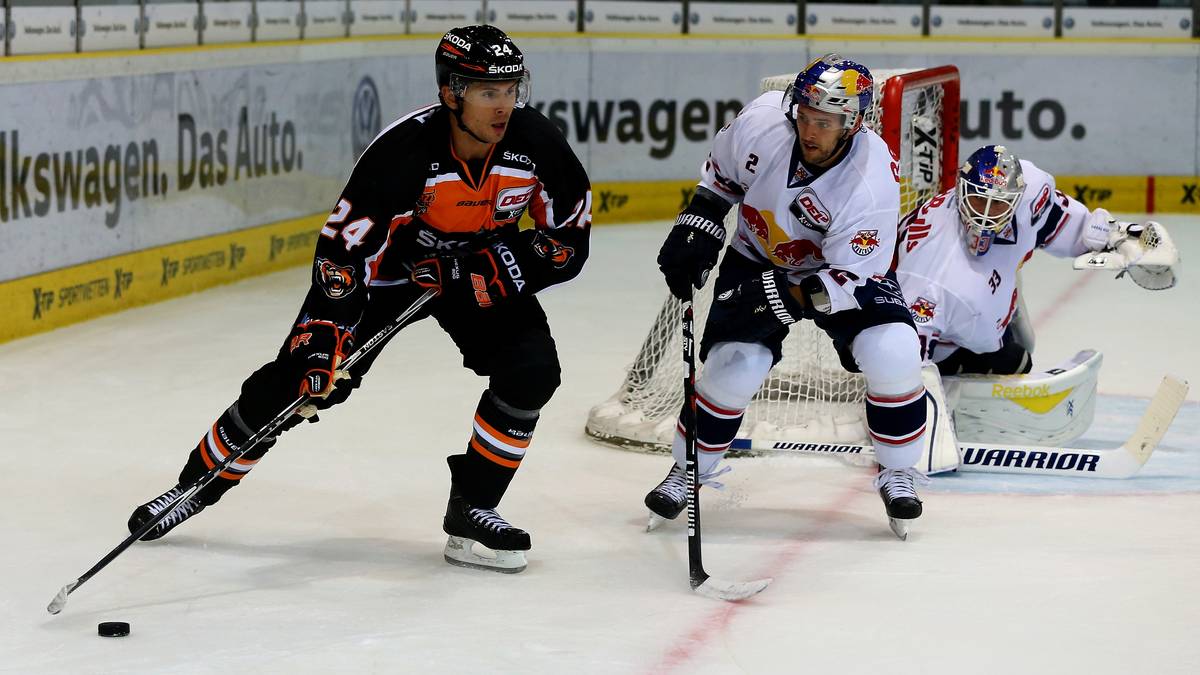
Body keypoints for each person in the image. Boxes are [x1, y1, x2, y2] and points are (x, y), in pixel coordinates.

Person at [127, 25, 592, 574]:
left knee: (532, 371)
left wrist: (483, 269)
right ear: (451, 92)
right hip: (388, 276)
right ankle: (192, 488)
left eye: (511, 90)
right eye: (488, 92)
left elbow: (568, 241)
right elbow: (345, 254)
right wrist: (325, 337)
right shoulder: (403, 152)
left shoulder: (537, 144)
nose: (504, 106)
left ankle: (474, 508)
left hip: (475, 272)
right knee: (301, 378)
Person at [644, 54, 929, 537]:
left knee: (895, 351)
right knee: (735, 367)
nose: (810, 130)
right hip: (756, 256)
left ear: (853, 123)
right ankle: (687, 469)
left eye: (825, 122)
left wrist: (780, 298)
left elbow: (850, 278)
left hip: (842, 275)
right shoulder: (762, 121)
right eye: (805, 115)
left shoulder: (871, 179)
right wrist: (700, 223)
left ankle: (898, 470)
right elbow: (721, 179)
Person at [895, 144, 1178, 377]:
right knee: (1015, 361)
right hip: (926, 325)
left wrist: (1116, 237)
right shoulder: (931, 277)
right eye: (979, 199)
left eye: (998, 203)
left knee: (1021, 344)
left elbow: (1071, 228)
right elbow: (905, 359)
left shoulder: (1031, 192)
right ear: (961, 189)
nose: (986, 215)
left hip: (976, 302)